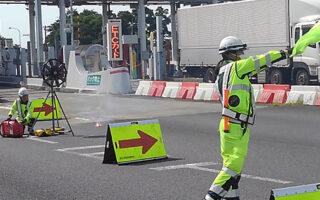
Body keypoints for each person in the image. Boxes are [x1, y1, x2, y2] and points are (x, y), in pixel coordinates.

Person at [203, 36, 290, 200]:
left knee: (234, 172)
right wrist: (285, 53)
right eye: (239, 53)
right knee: (233, 167)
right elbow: (261, 60)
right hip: (234, 125)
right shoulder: (236, 68)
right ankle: (210, 198)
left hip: (233, 124)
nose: (242, 56)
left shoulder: (225, 70)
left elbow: (255, 67)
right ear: (232, 54)